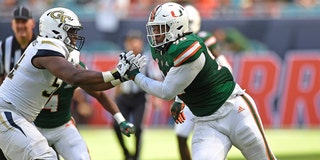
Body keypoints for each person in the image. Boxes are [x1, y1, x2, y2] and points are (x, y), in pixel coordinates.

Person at [124, 2, 277, 160]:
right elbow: (178, 77)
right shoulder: (162, 50)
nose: (155, 33)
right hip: (205, 121)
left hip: (233, 110)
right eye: (154, 28)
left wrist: (135, 75)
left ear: (175, 27)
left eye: (159, 28)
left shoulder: (188, 47)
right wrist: (179, 99)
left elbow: (166, 91)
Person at [0, 7, 138, 159]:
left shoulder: (61, 54)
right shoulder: (45, 47)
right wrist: (115, 72)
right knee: (45, 157)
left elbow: (94, 86)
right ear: (56, 30)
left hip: (27, 118)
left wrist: (121, 77)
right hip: (8, 112)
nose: (74, 37)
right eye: (71, 31)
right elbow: (75, 77)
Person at [173, 4, 233, 160]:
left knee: (215, 134)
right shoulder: (176, 44)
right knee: (180, 136)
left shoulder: (204, 38)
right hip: (188, 97)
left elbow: (222, 62)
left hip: (207, 94)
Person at [112, 30, 149, 160]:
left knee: (138, 128)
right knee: (116, 126)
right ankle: (126, 153)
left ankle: (136, 156)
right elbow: (117, 78)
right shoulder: (122, 57)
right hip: (124, 98)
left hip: (139, 97)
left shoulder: (146, 59)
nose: (132, 44)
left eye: (135, 41)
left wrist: (155, 99)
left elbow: (153, 78)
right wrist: (115, 97)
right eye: (129, 41)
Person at [0, 6, 36, 84]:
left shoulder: (40, 45)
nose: (20, 26)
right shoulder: (3, 46)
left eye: (24, 21)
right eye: (17, 22)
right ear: (12, 24)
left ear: (33, 23)